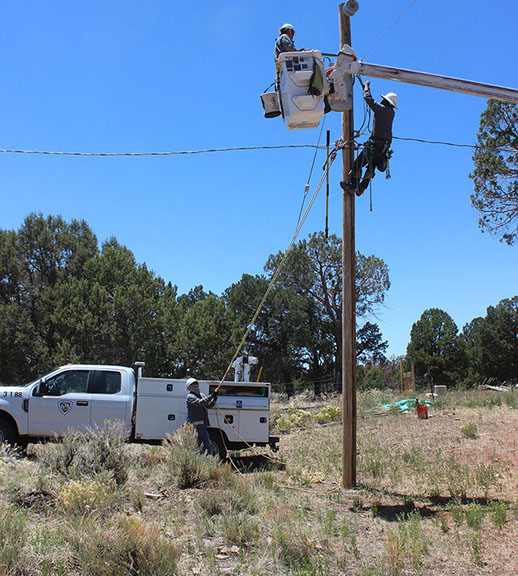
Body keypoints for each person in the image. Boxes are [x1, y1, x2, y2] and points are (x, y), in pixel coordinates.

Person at [342, 80, 397, 196]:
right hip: (383, 148)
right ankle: (362, 188)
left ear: (385, 101)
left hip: (374, 144)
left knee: (358, 163)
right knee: (371, 168)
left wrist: (366, 87)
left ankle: (352, 187)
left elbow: (368, 99)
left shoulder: (381, 109)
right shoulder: (391, 113)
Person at [186, 377, 218, 455]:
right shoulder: (190, 397)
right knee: (195, 446)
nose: (196, 385)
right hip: (194, 427)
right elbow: (200, 403)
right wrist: (211, 396)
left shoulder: (202, 395)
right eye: (193, 384)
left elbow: (208, 405)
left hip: (202, 426)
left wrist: (214, 400)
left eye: (196, 383)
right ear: (189, 387)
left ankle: (206, 459)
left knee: (206, 445)